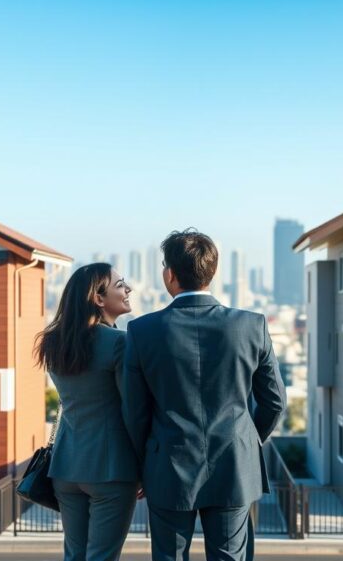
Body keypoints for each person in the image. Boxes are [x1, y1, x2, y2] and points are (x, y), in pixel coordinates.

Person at [122, 229, 287, 561]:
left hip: (167, 465)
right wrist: (247, 441)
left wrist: (143, 465)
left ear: (169, 275)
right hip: (234, 465)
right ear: (212, 272)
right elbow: (275, 402)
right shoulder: (251, 325)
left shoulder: (141, 330)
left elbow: (135, 412)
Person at [35, 262, 140, 561]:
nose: (128, 289)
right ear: (98, 298)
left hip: (66, 466)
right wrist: (144, 466)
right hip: (110, 467)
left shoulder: (54, 343)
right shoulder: (119, 343)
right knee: (102, 556)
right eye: (120, 285)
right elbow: (133, 410)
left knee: (75, 555)